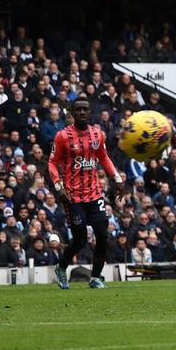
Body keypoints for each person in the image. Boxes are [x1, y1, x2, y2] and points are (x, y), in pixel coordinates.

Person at [47, 99, 124, 290]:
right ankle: (61, 268)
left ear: (90, 112)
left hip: (95, 194)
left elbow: (104, 158)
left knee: (103, 235)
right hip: (73, 196)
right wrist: (58, 186)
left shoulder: (98, 134)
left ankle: (95, 277)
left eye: (85, 109)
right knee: (80, 240)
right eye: (78, 109)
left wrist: (117, 178)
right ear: (72, 113)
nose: (82, 112)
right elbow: (52, 163)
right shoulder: (62, 136)